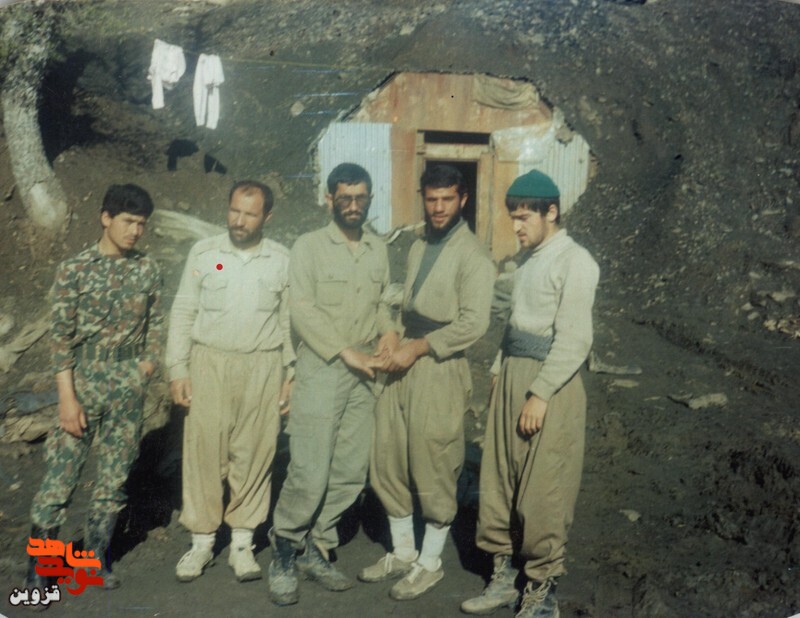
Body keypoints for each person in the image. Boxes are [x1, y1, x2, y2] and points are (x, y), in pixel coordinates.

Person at [460, 170, 599, 618]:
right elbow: (513, 326)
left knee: (544, 488)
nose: (516, 227)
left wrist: (539, 393)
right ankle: (503, 577)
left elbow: (575, 339)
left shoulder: (576, 261)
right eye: (513, 218)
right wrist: (498, 372)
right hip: (514, 376)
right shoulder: (526, 263)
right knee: (499, 479)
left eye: (524, 218)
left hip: (551, 383)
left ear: (551, 212)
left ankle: (542, 590)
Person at [359, 164, 496, 601]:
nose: (438, 208)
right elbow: (407, 305)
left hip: (439, 365)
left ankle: (430, 562)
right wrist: (392, 335)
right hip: (403, 360)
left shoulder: (474, 256)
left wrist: (418, 348)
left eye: (447, 199)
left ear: (462, 200)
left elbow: (473, 323)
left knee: (433, 457)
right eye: (431, 199)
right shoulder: (419, 245)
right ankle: (403, 552)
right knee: (389, 454)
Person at [267, 163, 394, 606]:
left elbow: (382, 302)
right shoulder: (309, 247)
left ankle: (315, 548)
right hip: (324, 365)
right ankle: (284, 551)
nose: (353, 206)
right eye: (345, 198)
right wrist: (344, 351)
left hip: (366, 369)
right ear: (329, 200)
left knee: (350, 470)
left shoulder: (378, 249)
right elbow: (301, 309)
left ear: (370, 199)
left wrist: (389, 331)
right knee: (309, 468)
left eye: (361, 198)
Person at [27, 184, 163, 591]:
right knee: (61, 477)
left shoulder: (147, 268)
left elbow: (155, 321)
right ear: (106, 218)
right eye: (128, 221)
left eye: (141, 224)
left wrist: (147, 363)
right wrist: (67, 399)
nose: (135, 231)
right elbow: (60, 340)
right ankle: (40, 569)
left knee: (114, 478)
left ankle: (94, 560)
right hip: (83, 382)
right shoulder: (74, 269)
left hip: (127, 383)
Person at [166, 180, 293, 584]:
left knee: (254, 452)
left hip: (262, 366)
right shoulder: (206, 254)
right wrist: (178, 369)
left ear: (267, 217)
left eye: (250, 214)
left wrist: (291, 375)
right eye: (234, 211)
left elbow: (289, 322)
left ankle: (242, 544)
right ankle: (201, 542)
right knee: (203, 452)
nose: (239, 221)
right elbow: (183, 310)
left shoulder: (282, 260)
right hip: (209, 364)